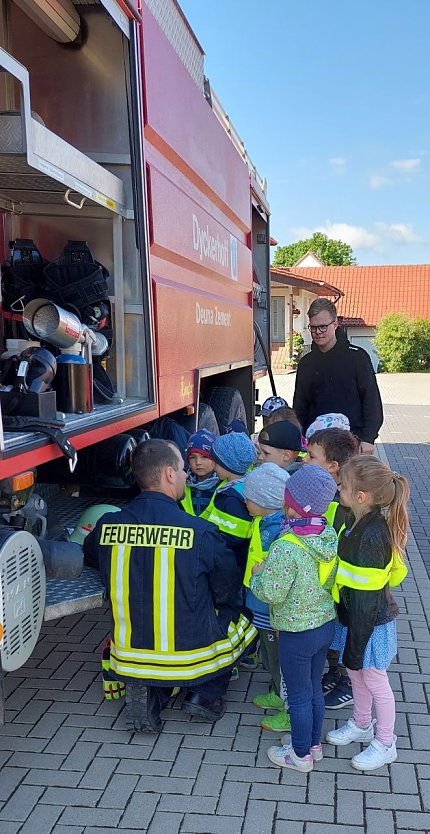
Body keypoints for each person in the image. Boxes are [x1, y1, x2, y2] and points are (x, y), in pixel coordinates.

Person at [84, 438, 257, 732]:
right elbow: (226, 590)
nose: (186, 475)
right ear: (168, 474)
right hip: (190, 657)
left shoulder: (108, 525)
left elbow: (91, 555)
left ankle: (152, 691)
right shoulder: (200, 532)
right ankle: (205, 693)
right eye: (181, 469)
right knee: (244, 622)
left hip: (128, 655)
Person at [251, 465, 338, 773]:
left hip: (296, 633)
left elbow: (272, 594)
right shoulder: (327, 534)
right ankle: (313, 745)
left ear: (291, 505)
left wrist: (257, 576)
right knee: (314, 688)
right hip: (325, 624)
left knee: (298, 695)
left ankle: (299, 755)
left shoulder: (286, 546)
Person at [326, 456, 409, 771]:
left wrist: (356, 644)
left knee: (374, 679)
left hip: (370, 623)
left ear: (361, 497)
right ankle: (362, 723)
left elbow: (368, 596)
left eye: (342, 486)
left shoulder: (372, 536)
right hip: (356, 618)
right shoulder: (354, 518)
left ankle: (386, 742)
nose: (338, 489)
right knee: (356, 674)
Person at [304, 425, 360, 709]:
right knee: (335, 633)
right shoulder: (326, 496)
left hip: (348, 591)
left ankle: (351, 684)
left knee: (347, 633)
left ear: (333, 466)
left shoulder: (348, 505)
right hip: (330, 586)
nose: (305, 460)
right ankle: (337, 674)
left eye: (312, 457)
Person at [293, 298, 383, 453]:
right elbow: (300, 406)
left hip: (352, 443)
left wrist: (369, 438)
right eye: (313, 328)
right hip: (316, 446)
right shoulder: (306, 364)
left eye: (322, 327)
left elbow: (371, 401)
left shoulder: (357, 358)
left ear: (335, 324)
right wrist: (300, 439)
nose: (317, 332)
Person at [242, 463, 291, 731]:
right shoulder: (263, 521)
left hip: (272, 607)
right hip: (261, 603)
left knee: (279, 658)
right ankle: (277, 690)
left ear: (267, 501)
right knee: (271, 656)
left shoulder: (276, 531)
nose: (246, 501)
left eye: (250, 497)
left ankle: (287, 707)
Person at [180, 429, 220, 517]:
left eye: (204, 457)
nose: (198, 462)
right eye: (192, 457)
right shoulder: (182, 484)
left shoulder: (223, 486)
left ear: (215, 458)